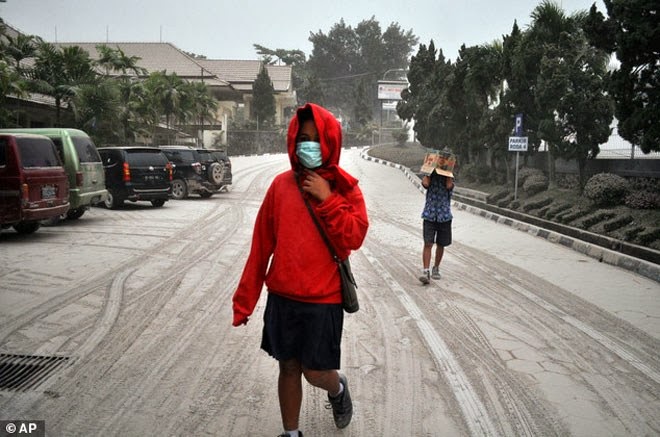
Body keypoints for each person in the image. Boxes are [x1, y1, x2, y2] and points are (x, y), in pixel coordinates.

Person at [232, 103, 369, 437]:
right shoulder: (280, 187)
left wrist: (327, 199)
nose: (307, 145)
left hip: (323, 301)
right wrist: (245, 300)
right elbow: (261, 246)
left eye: (315, 139)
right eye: (302, 138)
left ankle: (337, 389)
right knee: (288, 368)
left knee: (314, 372)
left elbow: (354, 236)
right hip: (283, 299)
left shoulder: (344, 189)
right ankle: (291, 433)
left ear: (330, 142)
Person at [419, 169, 454, 284]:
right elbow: (425, 184)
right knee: (428, 243)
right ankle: (425, 271)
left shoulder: (449, 178)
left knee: (441, 244)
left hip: (444, 216)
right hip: (429, 215)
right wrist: (428, 171)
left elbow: (449, 185)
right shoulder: (429, 177)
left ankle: (436, 268)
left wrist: (447, 172)